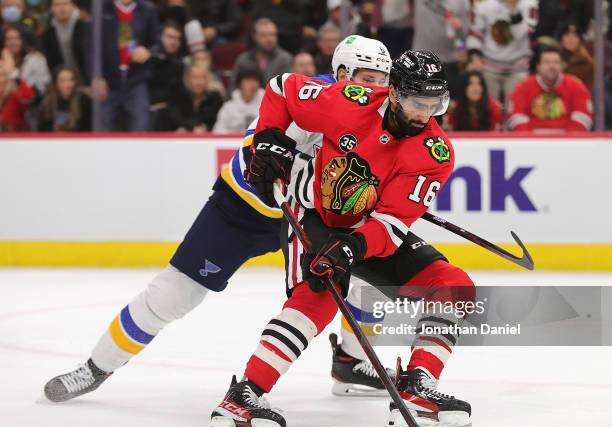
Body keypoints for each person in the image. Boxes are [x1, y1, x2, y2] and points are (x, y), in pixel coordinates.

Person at [42, 35, 396, 406]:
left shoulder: (378, 115)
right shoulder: (310, 96)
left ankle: (350, 361)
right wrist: (284, 166)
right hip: (244, 211)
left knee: (358, 271)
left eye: (381, 80)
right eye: (367, 78)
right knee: (172, 295)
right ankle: (96, 367)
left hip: (310, 218)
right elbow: (257, 151)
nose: (375, 89)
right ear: (341, 73)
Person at [204, 50, 474, 427]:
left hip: (368, 231)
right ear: (394, 94)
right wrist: (268, 138)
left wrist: (352, 248)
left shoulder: (435, 153)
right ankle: (242, 397)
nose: (425, 114)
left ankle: (417, 388)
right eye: (418, 103)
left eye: (435, 105)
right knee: (320, 297)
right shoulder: (350, 102)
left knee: (454, 286)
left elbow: (392, 224)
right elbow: (281, 89)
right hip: (315, 213)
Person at [93, 0, 158, 132]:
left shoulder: (147, 10)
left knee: (141, 124)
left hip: (136, 79)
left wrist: (148, 51)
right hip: (108, 80)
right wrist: (96, 76)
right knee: (101, 127)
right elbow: (91, 46)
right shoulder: (102, 10)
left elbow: (156, 42)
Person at [467, 0, 538, 107]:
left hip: (517, 67)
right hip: (489, 66)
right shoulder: (484, 6)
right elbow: (475, 34)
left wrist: (514, 11)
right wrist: (475, 57)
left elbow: (522, 35)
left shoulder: (530, 5)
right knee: (490, 107)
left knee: (514, 107)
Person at [507, 44, 592, 132]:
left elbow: (583, 116)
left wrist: (567, 140)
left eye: (556, 62)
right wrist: (531, 140)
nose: (552, 66)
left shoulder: (576, 86)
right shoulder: (523, 87)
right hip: (532, 141)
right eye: (547, 62)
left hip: (567, 141)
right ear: (538, 67)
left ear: (562, 66)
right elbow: (516, 116)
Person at [159, 60, 223, 133]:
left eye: (203, 77)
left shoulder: (215, 98)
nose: (199, 82)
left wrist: (206, 127)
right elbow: (174, 117)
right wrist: (192, 126)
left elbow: (220, 121)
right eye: (195, 77)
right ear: (187, 78)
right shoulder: (177, 95)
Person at [230, 18, 293, 91]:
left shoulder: (285, 59)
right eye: (264, 35)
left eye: (272, 34)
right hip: (247, 101)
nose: (269, 39)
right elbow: (233, 87)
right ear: (254, 37)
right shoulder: (243, 60)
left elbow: (288, 90)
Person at [41, 0, 91, 84]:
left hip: (88, 81)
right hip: (63, 85)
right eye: (57, 5)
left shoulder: (85, 26)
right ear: (51, 8)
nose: (62, 8)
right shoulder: (48, 33)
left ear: (73, 5)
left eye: (65, 4)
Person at [38, 66, 91, 132]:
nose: (68, 84)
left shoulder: (84, 101)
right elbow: (42, 132)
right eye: (63, 81)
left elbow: (89, 129)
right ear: (55, 84)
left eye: (71, 80)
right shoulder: (47, 104)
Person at [213, 67, 264, 134]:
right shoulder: (228, 107)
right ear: (240, 83)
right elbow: (217, 130)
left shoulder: (267, 104)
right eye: (248, 80)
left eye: (255, 80)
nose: (252, 85)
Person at [0, 52, 33, 131]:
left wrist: (14, 74)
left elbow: (28, 96)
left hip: (15, 139)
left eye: (2, 75)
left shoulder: (15, 95)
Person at [559, 23, 593, 92]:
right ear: (561, 39)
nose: (571, 39)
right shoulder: (553, 59)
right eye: (567, 36)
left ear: (579, 40)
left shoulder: (587, 64)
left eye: (575, 36)